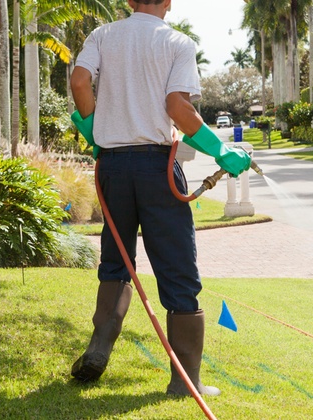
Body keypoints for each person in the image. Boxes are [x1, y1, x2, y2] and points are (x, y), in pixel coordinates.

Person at [69, 0, 252, 397]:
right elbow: (177, 107)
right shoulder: (177, 42)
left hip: (113, 170)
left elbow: (80, 83)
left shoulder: (102, 35)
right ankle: (185, 382)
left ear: (129, 1)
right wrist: (220, 151)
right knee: (177, 269)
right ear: (168, 2)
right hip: (157, 167)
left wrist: (91, 131)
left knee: (117, 260)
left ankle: (99, 348)